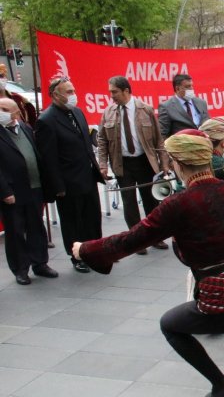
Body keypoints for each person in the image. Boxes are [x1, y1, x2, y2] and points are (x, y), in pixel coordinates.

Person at [72, 130, 224, 397]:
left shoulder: (177, 205)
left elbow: (130, 240)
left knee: (171, 325)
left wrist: (86, 250)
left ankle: (220, 385)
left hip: (221, 296)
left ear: (177, 162)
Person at [35, 77, 104, 273]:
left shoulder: (77, 112)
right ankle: (77, 256)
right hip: (68, 182)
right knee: (74, 221)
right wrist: (58, 187)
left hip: (87, 176)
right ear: (55, 95)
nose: (73, 95)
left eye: (73, 90)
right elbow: (48, 159)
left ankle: (96, 251)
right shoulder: (46, 120)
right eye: (68, 92)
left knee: (92, 217)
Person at [97, 76, 169, 254]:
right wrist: (103, 165)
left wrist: (164, 164)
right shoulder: (108, 112)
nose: (111, 96)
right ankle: (137, 242)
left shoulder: (145, 109)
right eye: (110, 92)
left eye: (114, 92)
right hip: (122, 164)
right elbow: (102, 140)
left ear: (126, 91)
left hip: (145, 161)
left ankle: (155, 237)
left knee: (151, 201)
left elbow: (159, 140)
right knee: (129, 203)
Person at [0, 98, 58, 285]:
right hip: (12, 191)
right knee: (15, 231)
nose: (0, 112)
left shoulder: (25, 128)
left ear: (16, 112)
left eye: (4, 109)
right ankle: (20, 269)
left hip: (34, 186)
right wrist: (4, 191)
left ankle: (40, 263)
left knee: (36, 227)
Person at [158, 74, 210, 138]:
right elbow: (162, 134)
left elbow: (208, 124)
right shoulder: (166, 107)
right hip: (182, 146)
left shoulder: (201, 103)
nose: (191, 89)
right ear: (177, 88)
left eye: (191, 86)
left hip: (204, 144)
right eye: (187, 87)